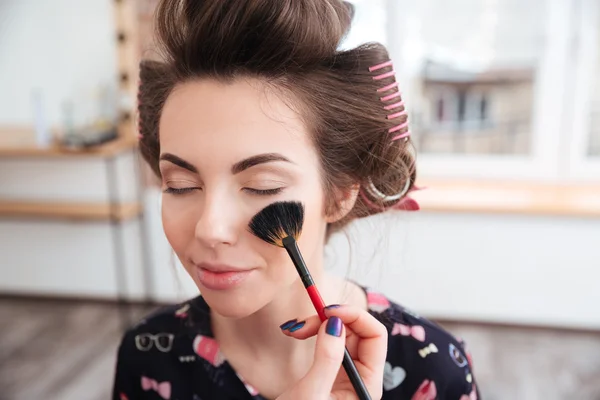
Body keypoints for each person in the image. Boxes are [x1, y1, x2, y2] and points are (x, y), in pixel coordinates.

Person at [112, 0, 480, 399]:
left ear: (340, 193)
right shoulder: (147, 354)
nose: (210, 228)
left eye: (263, 185)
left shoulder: (432, 369)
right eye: (180, 185)